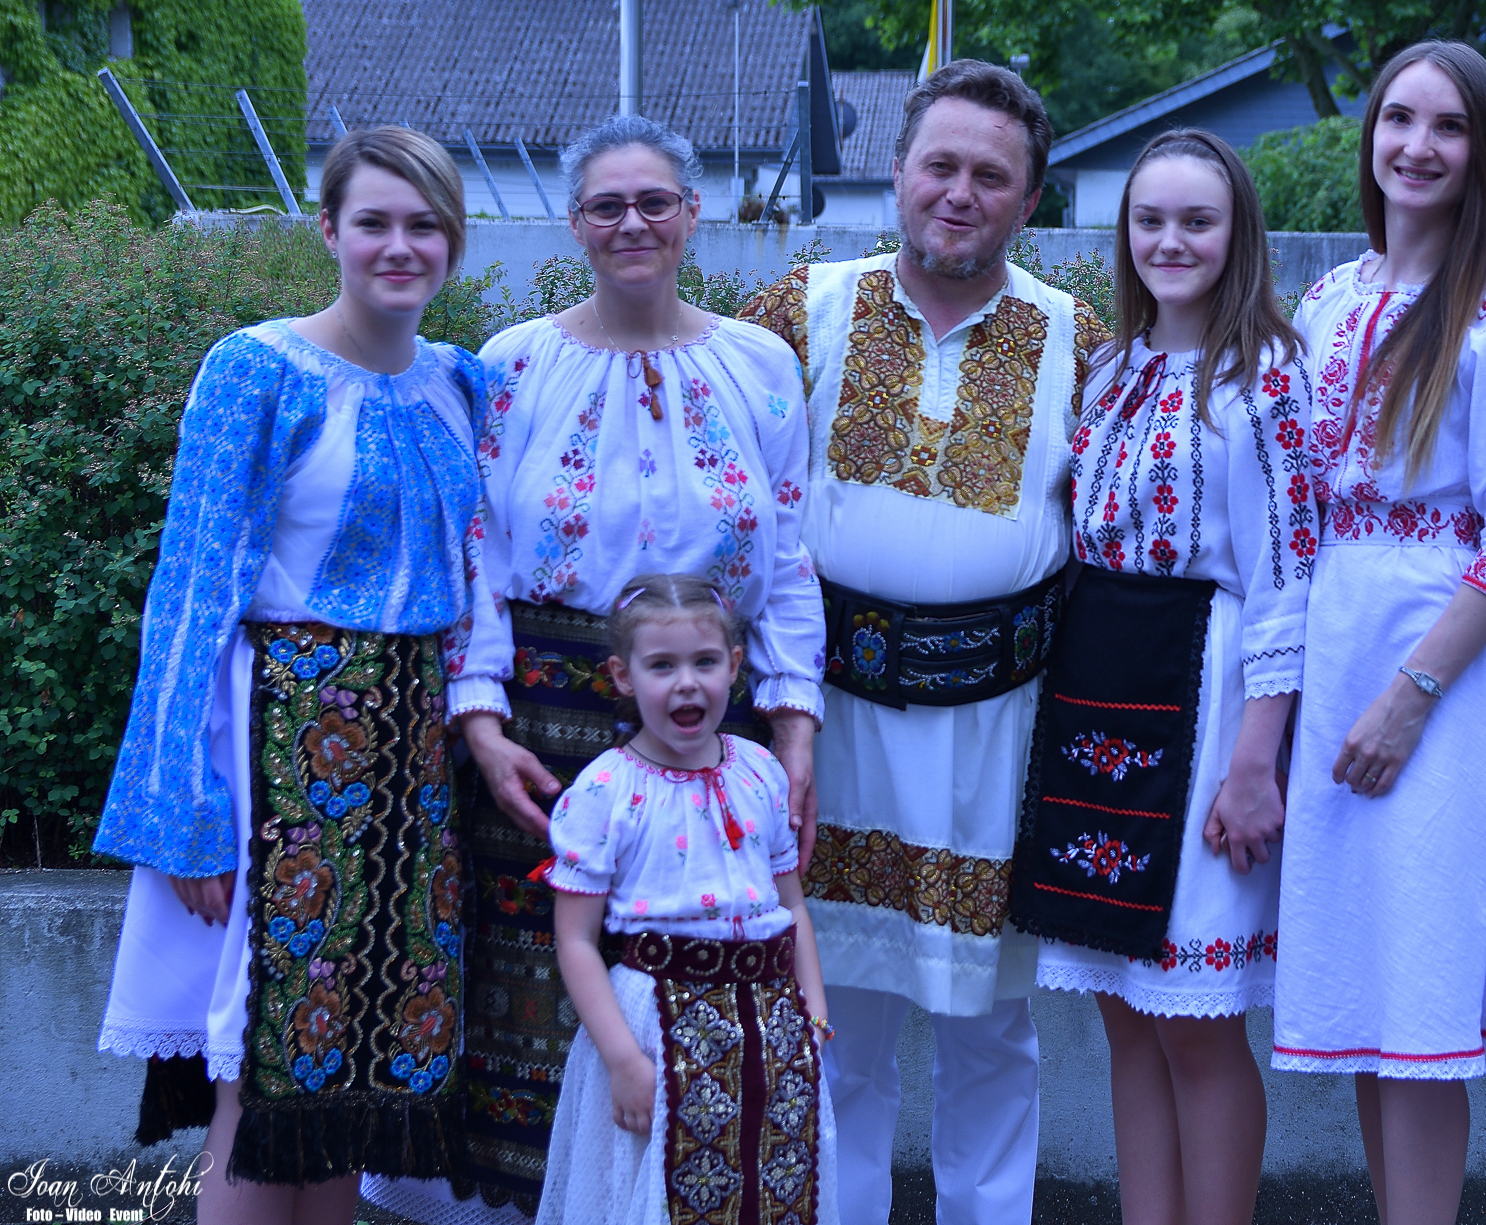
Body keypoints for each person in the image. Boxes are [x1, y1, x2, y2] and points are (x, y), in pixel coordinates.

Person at [362, 115, 823, 1223]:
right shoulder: (515, 362)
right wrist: (480, 721)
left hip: (708, 719)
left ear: (692, 213)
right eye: (606, 205)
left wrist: (794, 723)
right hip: (543, 725)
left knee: (694, 974)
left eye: (654, 201)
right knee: (529, 977)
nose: (632, 223)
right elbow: (476, 551)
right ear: (574, 224)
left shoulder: (760, 364)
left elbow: (790, 554)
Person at [93, 126, 488, 1225]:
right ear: (328, 229)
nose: (399, 246)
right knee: (263, 1069)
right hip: (284, 753)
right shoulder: (257, 370)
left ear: (453, 239)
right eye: (374, 222)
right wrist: (185, 809)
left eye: (424, 225)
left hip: (413, 767)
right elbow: (190, 591)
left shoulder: (461, 381)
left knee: (354, 1073)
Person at [737, 59, 1108, 1225]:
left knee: (988, 1028)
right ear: (896, 171)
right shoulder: (798, 311)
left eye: (990, 176)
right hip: (829, 724)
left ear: (1030, 199)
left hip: (997, 738)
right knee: (833, 1020)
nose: (959, 192)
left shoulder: (1080, 340)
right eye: (938, 165)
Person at [1271, 41, 1486, 1225]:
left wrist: (1409, 696)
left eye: (1447, 126)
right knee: (1365, 995)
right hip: (1333, 645)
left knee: (1419, 1004)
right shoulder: (1326, 299)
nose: (1415, 145)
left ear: (1482, 153)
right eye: (1397, 118)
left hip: (1432, 668)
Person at [1009, 128, 1309, 1225]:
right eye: (1150, 219)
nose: (1170, 241)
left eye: (1196, 220)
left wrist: (1254, 762)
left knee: (1193, 1019)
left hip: (1206, 696)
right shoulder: (1111, 369)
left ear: (1238, 234)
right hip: (1099, 689)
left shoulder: (1264, 381)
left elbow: (1286, 580)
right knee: (1125, 1016)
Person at [537, 574, 836, 1225]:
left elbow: (791, 905)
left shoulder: (760, 771)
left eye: (704, 662)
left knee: (773, 1192)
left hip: (772, 1029)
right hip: (654, 1034)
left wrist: (813, 1013)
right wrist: (623, 1059)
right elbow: (576, 940)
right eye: (662, 665)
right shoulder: (606, 791)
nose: (686, 683)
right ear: (623, 675)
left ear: (734, 665)